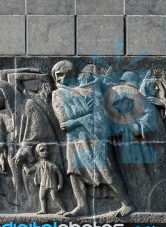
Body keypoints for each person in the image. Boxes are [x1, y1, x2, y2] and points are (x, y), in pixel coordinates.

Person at [52, 62, 134, 217]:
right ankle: (82, 205)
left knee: (106, 168)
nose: (58, 79)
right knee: (74, 170)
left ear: (71, 74)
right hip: (75, 138)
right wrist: (83, 115)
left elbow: (99, 117)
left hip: (96, 137)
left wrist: (76, 120)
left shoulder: (92, 89)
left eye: (61, 74)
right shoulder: (58, 95)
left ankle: (127, 203)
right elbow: (64, 123)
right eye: (56, 76)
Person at [26, 144, 66, 215]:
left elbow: (59, 174)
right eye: (42, 150)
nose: (45, 152)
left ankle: (63, 209)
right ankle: (43, 210)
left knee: (55, 197)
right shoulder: (38, 164)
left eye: (47, 150)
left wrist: (60, 184)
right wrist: (24, 165)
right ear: (38, 153)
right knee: (41, 197)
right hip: (43, 184)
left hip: (52, 183)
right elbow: (29, 171)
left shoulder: (51, 164)